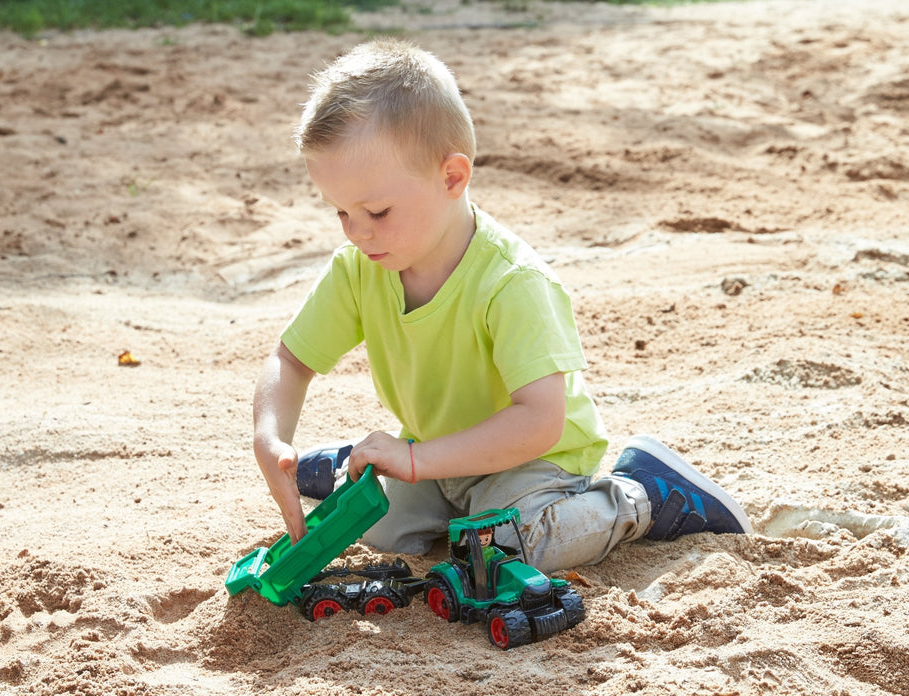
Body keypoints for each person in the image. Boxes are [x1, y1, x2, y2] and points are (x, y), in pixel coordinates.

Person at [252, 38, 752, 573]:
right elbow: (291, 359)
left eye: (376, 210)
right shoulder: (361, 267)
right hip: (441, 456)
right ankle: (353, 468)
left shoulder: (512, 282)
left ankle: (643, 495)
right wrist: (270, 436)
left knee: (507, 547)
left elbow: (540, 421)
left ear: (451, 177)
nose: (357, 232)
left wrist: (416, 460)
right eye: (341, 213)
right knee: (366, 524)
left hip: (536, 462)